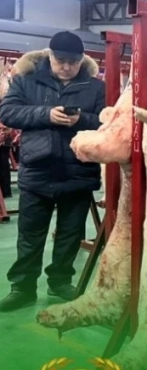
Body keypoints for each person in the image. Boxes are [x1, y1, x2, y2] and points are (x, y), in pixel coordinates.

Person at [0, 31, 105, 312]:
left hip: (78, 171)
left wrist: (81, 119)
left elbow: (106, 121)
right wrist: (45, 114)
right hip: (38, 170)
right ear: (50, 56)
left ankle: (60, 282)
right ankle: (22, 288)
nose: (67, 67)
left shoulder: (95, 87)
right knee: (30, 235)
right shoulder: (27, 80)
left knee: (70, 233)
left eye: (73, 62)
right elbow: (8, 112)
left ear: (82, 59)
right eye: (61, 61)